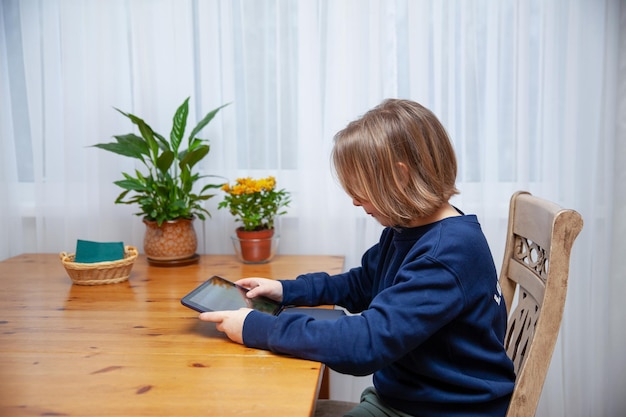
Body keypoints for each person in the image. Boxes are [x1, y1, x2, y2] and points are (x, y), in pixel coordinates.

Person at [200, 99, 516, 417]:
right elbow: (364, 283)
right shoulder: (412, 228)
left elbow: (366, 344)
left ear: (400, 176)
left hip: (445, 410)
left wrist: (259, 328)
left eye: (361, 188)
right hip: (413, 396)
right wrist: (286, 290)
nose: (354, 201)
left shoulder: (445, 254)